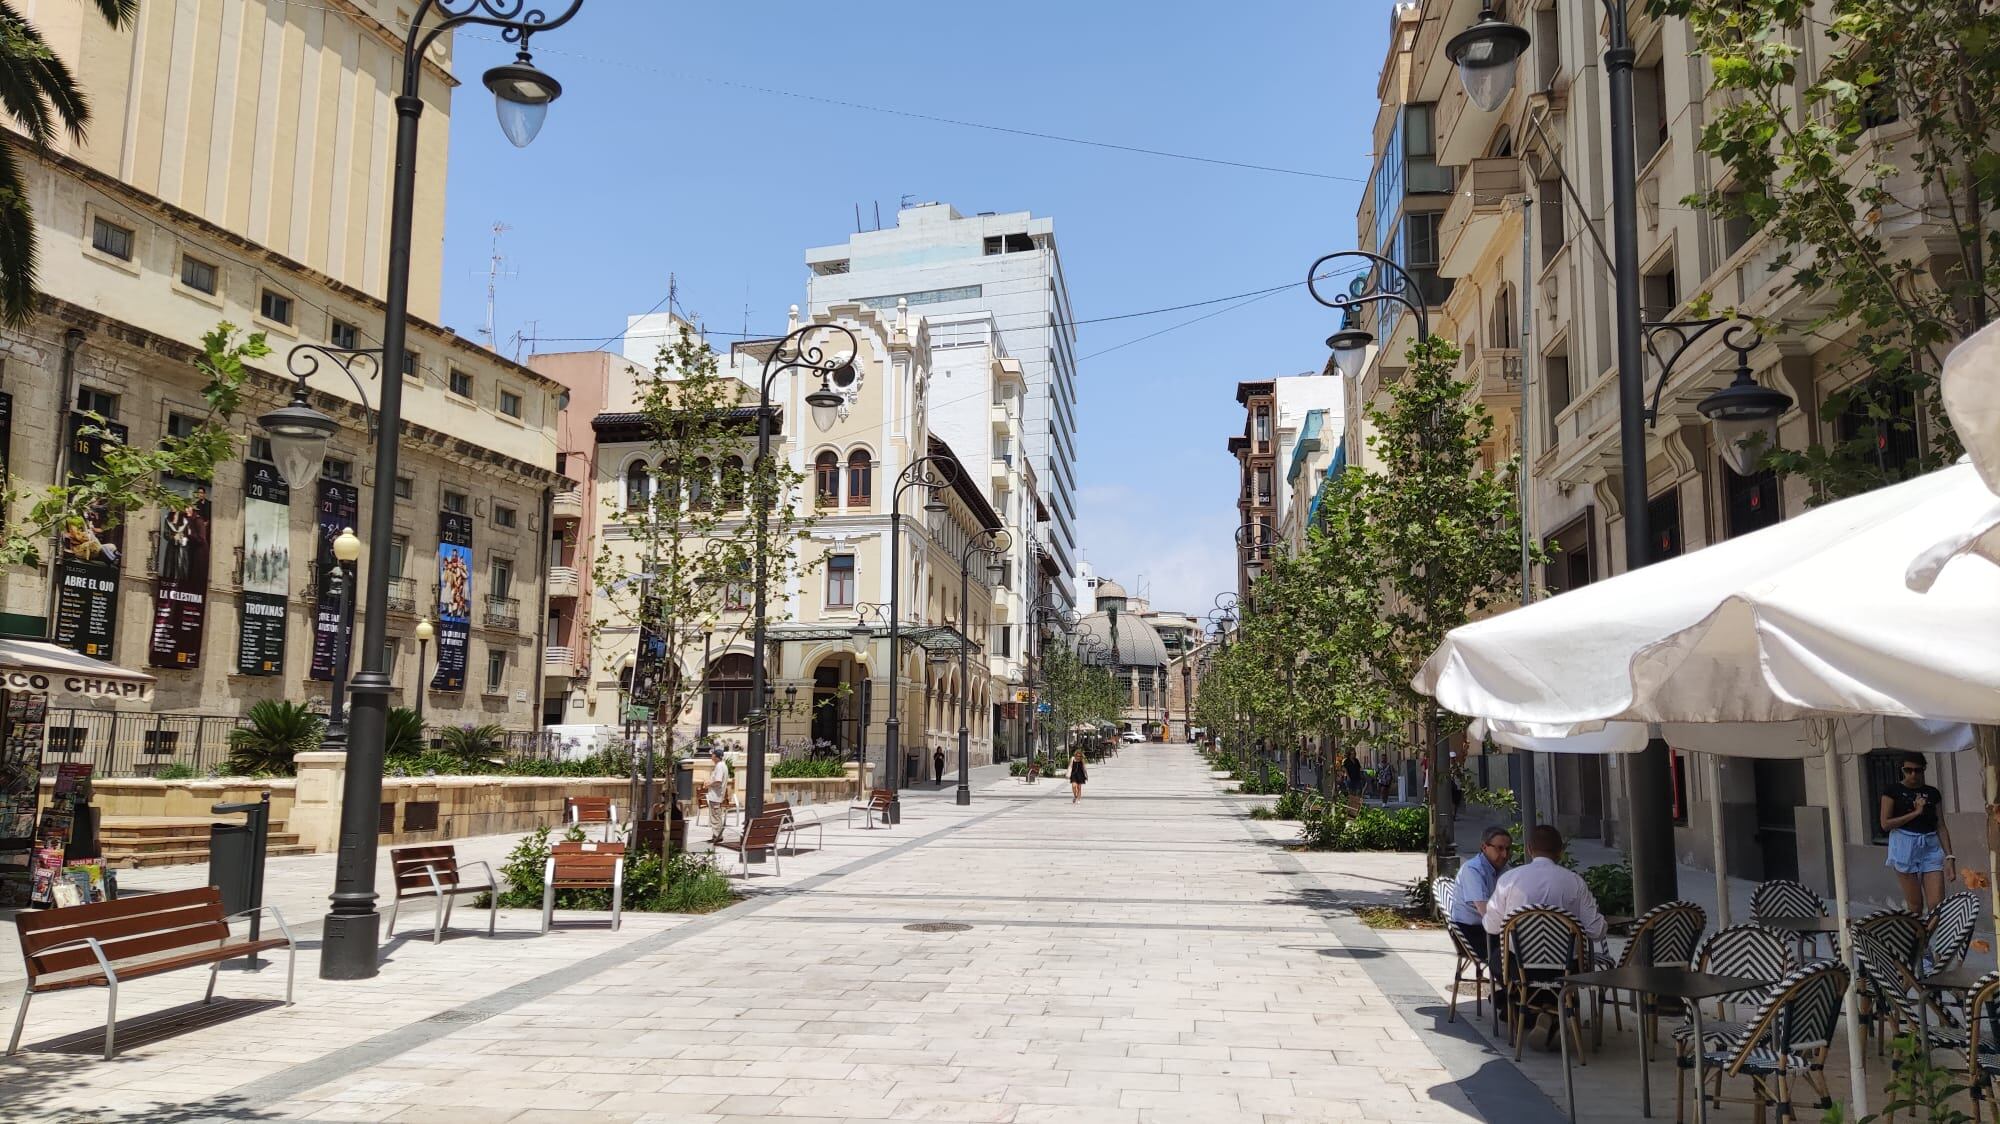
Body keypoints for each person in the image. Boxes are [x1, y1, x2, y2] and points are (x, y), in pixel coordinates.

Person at [1483, 825, 1605, 1043]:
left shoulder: (1509, 880)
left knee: (1496, 959)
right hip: (1567, 969)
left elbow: (1491, 926)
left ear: (1529, 849)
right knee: (1565, 968)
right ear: (1560, 851)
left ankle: (1538, 1012)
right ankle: (1552, 1013)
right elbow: (1596, 931)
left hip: (1520, 969)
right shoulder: (1575, 882)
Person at [1881, 752, 1956, 914]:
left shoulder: (1932, 793)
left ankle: (1925, 936)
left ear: (1924, 770)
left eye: (1918, 770)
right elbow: (1885, 824)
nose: (1913, 774)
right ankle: (1919, 939)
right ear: (1902, 770)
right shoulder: (1892, 791)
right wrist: (1915, 813)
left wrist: (1950, 857)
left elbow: (1940, 825)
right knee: (1915, 905)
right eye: (1908, 770)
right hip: (1904, 844)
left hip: (1929, 844)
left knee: (1937, 904)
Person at [1452, 827, 1512, 967]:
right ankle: (1512, 987)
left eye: (1508, 849)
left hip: (1493, 929)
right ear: (1484, 847)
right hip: (1471, 933)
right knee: (1516, 955)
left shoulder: (1505, 869)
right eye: (1499, 848)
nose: (1504, 854)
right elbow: (1485, 912)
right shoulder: (1473, 870)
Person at [705, 746, 731, 842]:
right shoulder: (723, 765)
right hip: (717, 795)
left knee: (715, 816)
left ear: (716, 756)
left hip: (715, 796)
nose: (711, 756)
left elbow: (718, 781)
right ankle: (717, 835)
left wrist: (709, 784)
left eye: (712, 754)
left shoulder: (719, 766)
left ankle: (717, 836)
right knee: (717, 816)